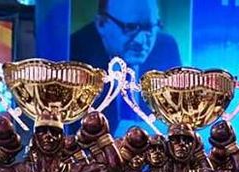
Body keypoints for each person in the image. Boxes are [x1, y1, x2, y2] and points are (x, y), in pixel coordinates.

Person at [70, 0, 181, 133]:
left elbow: (175, 118)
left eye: (150, 27)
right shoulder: (74, 51)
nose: (141, 41)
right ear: (101, 24)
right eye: (130, 27)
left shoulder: (166, 47)